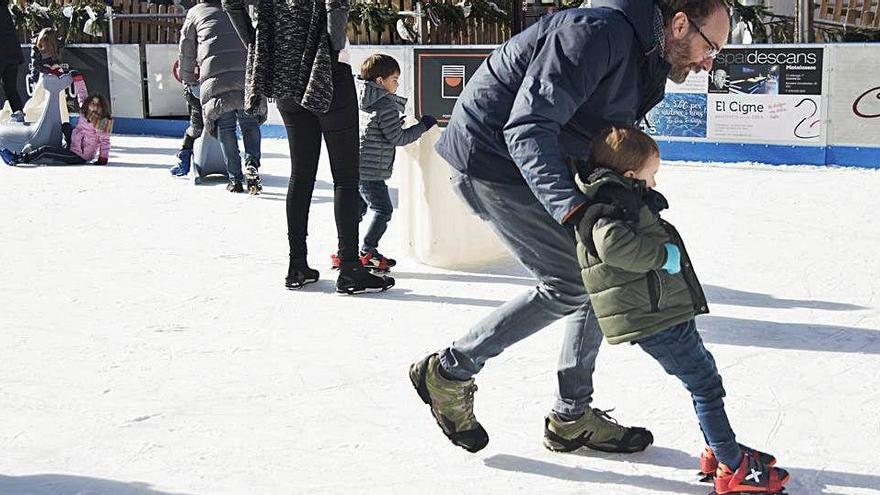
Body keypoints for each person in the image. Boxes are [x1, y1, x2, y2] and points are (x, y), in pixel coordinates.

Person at [409, 0, 730, 455]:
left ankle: (570, 416)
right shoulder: (594, 32)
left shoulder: (647, 57)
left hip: (546, 159)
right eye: (709, 47)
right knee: (570, 284)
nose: (707, 62)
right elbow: (527, 126)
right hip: (494, 158)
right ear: (680, 23)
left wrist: (621, 191)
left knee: (594, 272)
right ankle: (448, 371)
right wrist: (576, 212)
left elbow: (600, 133)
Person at [572, 126, 790, 495]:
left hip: (661, 309)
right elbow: (613, 247)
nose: (655, 181)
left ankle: (723, 449)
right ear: (629, 175)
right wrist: (662, 256)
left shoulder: (619, 196)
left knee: (704, 378)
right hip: (654, 316)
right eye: (650, 174)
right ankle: (733, 467)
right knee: (705, 385)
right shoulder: (610, 204)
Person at [223, 0, 395, 293]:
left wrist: (256, 43)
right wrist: (331, 45)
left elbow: (231, 3)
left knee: (300, 176)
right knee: (345, 177)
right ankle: (350, 267)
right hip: (327, 72)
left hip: (285, 75)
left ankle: (297, 266)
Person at [333, 53, 436, 272]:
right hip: (372, 172)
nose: (398, 84)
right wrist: (423, 126)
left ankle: (344, 252)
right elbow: (398, 138)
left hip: (357, 165)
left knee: (356, 211)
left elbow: (377, 130)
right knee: (383, 209)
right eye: (394, 80)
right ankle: (367, 251)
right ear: (380, 81)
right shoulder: (385, 105)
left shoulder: (363, 100)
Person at [178, 0, 264, 193]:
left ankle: (235, 179)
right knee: (249, 122)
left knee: (225, 127)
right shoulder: (237, 7)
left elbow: (186, 50)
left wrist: (187, 79)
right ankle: (252, 164)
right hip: (245, 72)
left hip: (216, 77)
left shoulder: (195, 12)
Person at [1, 90, 111, 166]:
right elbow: (82, 94)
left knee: (45, 150)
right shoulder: (85, 110)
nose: (94, 107)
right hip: (75, 142)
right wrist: (77, 78)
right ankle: (66, 145)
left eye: (97, 105)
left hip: (79, 155)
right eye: (92, 103)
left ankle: (20, 158)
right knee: (65, 126)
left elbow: (105, 141)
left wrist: (103, 159)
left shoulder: (102, 121)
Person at [169, 83, 204, 177]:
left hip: (200, 129)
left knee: (189, 135)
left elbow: (191, 114)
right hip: (219, 127)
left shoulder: (193, 94)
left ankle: (184, 165)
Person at [1, 0, 25, 123]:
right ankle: (18, 112)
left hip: (4, 53)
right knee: (10, 87)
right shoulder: (4, 8)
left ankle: (18, 112)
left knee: (10, 86)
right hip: (12, 53)